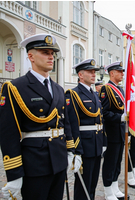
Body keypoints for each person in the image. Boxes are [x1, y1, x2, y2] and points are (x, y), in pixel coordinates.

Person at [0, 33, 77, 199]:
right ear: (31, 56)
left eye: (52, 54)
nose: (51, 57)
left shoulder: (58, 88)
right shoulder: (15, 87)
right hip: (34, 162)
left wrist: (71, 151)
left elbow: (66, 123)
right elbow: (8, 133)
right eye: (45, 53)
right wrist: (14, 174)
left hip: (58, 159)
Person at [65, 59, 106, 200]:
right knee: (83, 184)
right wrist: (76, 151)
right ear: (80, 75)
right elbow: (72, 124)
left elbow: (101, 119)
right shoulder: (73, 94)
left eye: (94, 72)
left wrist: (104, 142)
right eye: (90, 72)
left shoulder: (95, 94)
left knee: (93, 182)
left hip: (96, 144)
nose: (93, 75)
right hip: (84, 145)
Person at [100, 61, 129, 200]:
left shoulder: (120, 89)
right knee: (110, 162)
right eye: (120, 71)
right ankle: (107, 190)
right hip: (111, 133)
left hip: (120, 132)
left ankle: (114, 186)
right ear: (112, 73)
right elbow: (104, 113)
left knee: (117, 162)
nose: (122, 74)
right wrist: (120, 118)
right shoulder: (106, 89)